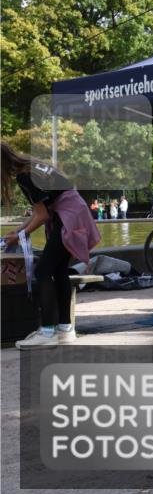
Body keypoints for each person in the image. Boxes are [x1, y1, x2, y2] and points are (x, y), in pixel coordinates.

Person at [1, 142, 101, 349]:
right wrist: (19, 231)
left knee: (44, 271)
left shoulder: (24, 176)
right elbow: (42, 212)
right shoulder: (32, 166)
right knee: (59, 270)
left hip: (68, 216)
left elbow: (43, 215)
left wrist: (19, 236)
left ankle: (47, 332)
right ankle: (65, 329)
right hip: (74, 212)